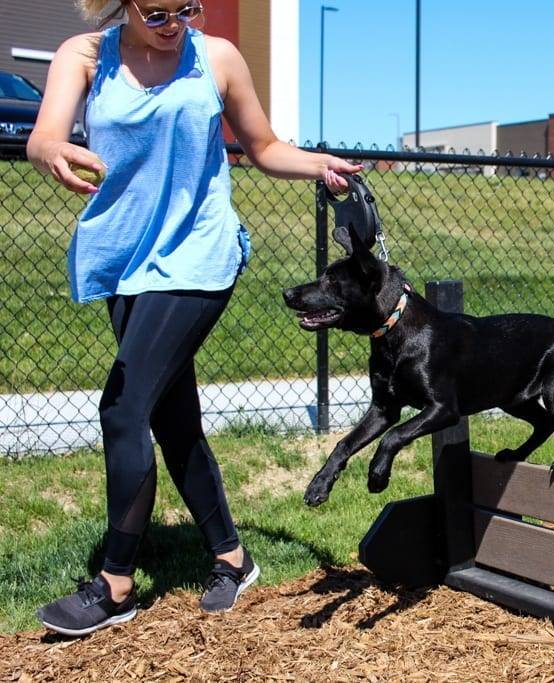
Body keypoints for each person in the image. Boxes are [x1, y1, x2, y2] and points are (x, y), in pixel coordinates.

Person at [27, 0, 361, 637]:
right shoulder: (86, 55)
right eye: (156, 11)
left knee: (122, 408)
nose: (173, 22)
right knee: (170, 417)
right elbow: (46, 133)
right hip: (123, 258)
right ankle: (233, 556)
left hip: (197, 255)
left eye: (186, 7)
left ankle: (115, 583)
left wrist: (318, 164)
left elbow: (261, 146)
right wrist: (50, 149)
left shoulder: (218, 59)